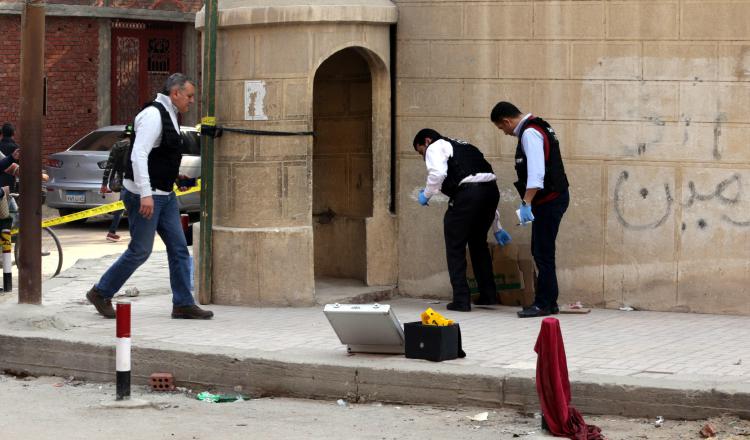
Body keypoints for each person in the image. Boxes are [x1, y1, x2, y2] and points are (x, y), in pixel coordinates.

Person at [86, 73, 213, 320]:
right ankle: (101, 292)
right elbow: (138, 155)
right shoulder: (153, 115)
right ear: (175, 93)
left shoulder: (171, 115)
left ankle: (183, 303)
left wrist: (174, 178)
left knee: (179, 249)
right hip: (146, 196)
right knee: (140, 250)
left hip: (163, 195)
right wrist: (146, 195)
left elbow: (160, 156)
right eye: (189, 96)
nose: (191, 101)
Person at [413, 128, 511, 312]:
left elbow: (437, 174)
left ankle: (461, 300)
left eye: (421, 152)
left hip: (467, 195)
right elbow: (481, 181)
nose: (423, 157)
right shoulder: (465, 147)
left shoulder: (435, 146)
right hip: (491, 192)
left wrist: (426, 195)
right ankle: (488, 295)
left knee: (455, 246)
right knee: (478, 244)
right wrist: (497, 226)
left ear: (426, 141)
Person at [490, 101, 570, 318]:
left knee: (543, 253)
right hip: (553, 198)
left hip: (549, 200)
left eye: (501, 128)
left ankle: (544, 304)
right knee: (542, 251)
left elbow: (536, 174)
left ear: (507, 121)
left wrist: (526, 203)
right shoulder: (538, 127)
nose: (504, 133)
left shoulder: (529, 134)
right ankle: (549, 302)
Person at [100, 126, 132, 242]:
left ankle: (112, 232)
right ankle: (113, 232)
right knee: (128, 205)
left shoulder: (117, 145)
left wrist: (104, 183)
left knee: (122, 205)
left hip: (121, 179)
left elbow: (109, 165)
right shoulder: (136, 145)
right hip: (133, 180)